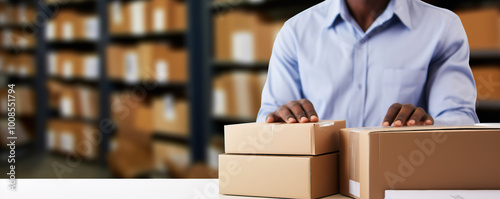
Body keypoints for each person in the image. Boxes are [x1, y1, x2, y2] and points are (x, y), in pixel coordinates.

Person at [256, 0, 479, 127]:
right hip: (319, 187)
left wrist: (427, 127)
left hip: (400, 184)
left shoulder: (442, 27)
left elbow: (461, 119)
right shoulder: (296, 32)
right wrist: (277, 123)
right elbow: (267, 120)